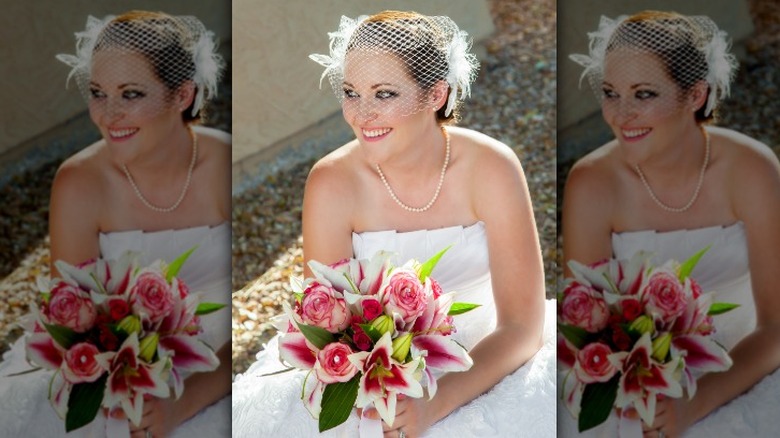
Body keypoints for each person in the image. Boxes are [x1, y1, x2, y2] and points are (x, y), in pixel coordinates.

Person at [232, 10, 556, 437]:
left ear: (436, 94)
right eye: (351, 92)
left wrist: (437, 401)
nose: (361, 115)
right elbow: (327, 326)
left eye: (384, 94)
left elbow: (521, 326)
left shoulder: (492, 168)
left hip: (486, 355)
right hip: (371, 373)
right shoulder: (331, 183)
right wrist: (372, 386)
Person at [0, 11, 231, 437]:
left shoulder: (223, 165)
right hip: (106, 364)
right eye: (97, 93)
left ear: (181, 95)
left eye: (130, 94)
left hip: (214, 359)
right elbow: (70, 321)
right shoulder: (77, 182)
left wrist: (188, 400)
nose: (108, 115)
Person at [561, 11, 780, 437]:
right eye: (610, 92)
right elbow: (585, 326)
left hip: (747, 363)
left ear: (695, 94)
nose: (620, 115)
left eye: (643, 94)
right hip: (633, 381)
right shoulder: (591, 183)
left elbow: (776, 327)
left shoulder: (752, 170)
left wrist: (696, 403)